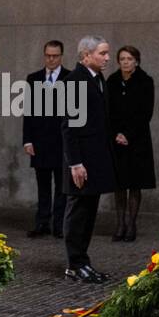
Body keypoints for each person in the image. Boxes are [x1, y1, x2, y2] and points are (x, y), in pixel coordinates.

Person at [63, 36, 116, 282]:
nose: (107, 58)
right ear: (86, 56)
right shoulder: (75, 81)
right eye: (102, 53)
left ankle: (83, 261)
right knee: (78, 213)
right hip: (81, 161)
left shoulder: (97, 79)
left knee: (88, 212)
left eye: (107, 53)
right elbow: (69, 127)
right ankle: (75, 264)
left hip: (94, 159)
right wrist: (75, 163)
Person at [106, 45, 155, 242]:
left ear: (136, 61)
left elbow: (146, 113)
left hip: (137, 141)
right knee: (119, 185)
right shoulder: (112, 81)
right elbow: (107, 110)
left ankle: (131, 223)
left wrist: (128, 134)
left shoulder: (145, 82)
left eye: (129, 58)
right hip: (116, 140)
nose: (126, 62)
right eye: (122, 59)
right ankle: (120, 224)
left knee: (135, 184)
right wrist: (116, 133)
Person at [23, 40, 72, 238]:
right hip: (40, 141)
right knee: (43, 185)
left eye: (55, 56)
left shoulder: (70, 78)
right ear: (44, 56)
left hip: (61, 141)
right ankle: (42, 223)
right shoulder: (33, 79)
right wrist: (28, 140)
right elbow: (28, 111)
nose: (51, 59)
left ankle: (59, 225)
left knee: (61, 187)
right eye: (48, 55)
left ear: (61, 56)